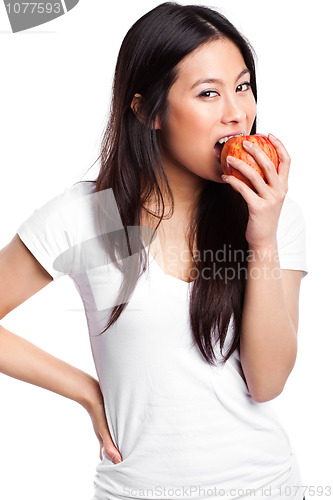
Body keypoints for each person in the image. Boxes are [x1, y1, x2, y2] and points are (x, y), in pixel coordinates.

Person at [0, 2, 308, 500]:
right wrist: (84, 390)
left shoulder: (272, 217)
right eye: (208, 93)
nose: (237, 113)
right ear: (147, 110)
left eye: (243, 86)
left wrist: (263, 239)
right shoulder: (90, 215)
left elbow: (267, 381)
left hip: (270, 487)